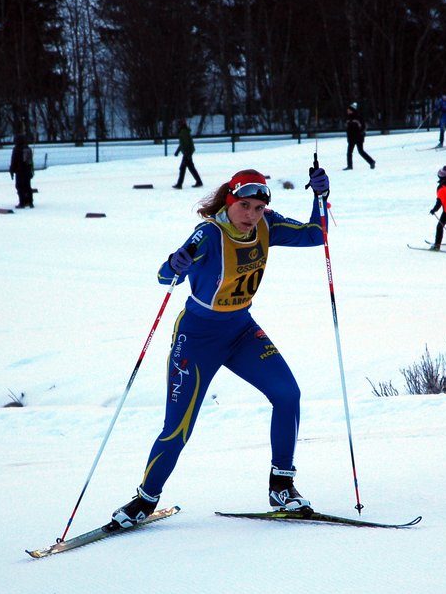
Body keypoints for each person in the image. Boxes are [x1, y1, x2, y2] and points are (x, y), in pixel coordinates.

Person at [111, 166, 331, 527]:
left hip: (241, 331)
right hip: (197, 339)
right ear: (230, 201)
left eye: (258, 208)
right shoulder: (208, 235)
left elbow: (315, 234)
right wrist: (174, 263)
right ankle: (144, 500)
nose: (251, 216)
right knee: (178, 427)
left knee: (288, 394)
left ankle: (282, 485)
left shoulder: (266, 225)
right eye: (244, 206)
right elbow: (166, 277)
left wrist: (320, 197)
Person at [343, 102, 375, 170]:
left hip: (358, 138)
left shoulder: (358, 118)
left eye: (349, 110)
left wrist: (360, 135)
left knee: (360, 151)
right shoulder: (348, 119)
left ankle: (371, 162)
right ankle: (350, 166)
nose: (347, 111)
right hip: (351, 138)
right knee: (350, 152)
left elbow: (363, 128)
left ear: (352, 110)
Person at [173, 120, 203, 189]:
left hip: (187, 153)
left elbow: (186, 144)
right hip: (187, 153)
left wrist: (188, 154)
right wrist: (178, 151)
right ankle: (199, 182)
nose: (178, 126)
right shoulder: (184, 132)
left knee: (183, 168)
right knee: (190, 168)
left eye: (179, 125)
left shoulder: (183, 132)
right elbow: (182, 144)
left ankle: (179, 184)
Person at [9, 134, 35, 208]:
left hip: (20, 171)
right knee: (27, 186)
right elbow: (30, 161)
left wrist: (11, 170)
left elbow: (14, 160)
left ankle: (22, 202)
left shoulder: (16, 149)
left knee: (19, 186)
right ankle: (30, 202)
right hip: (27, 170)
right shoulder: (28, 148)